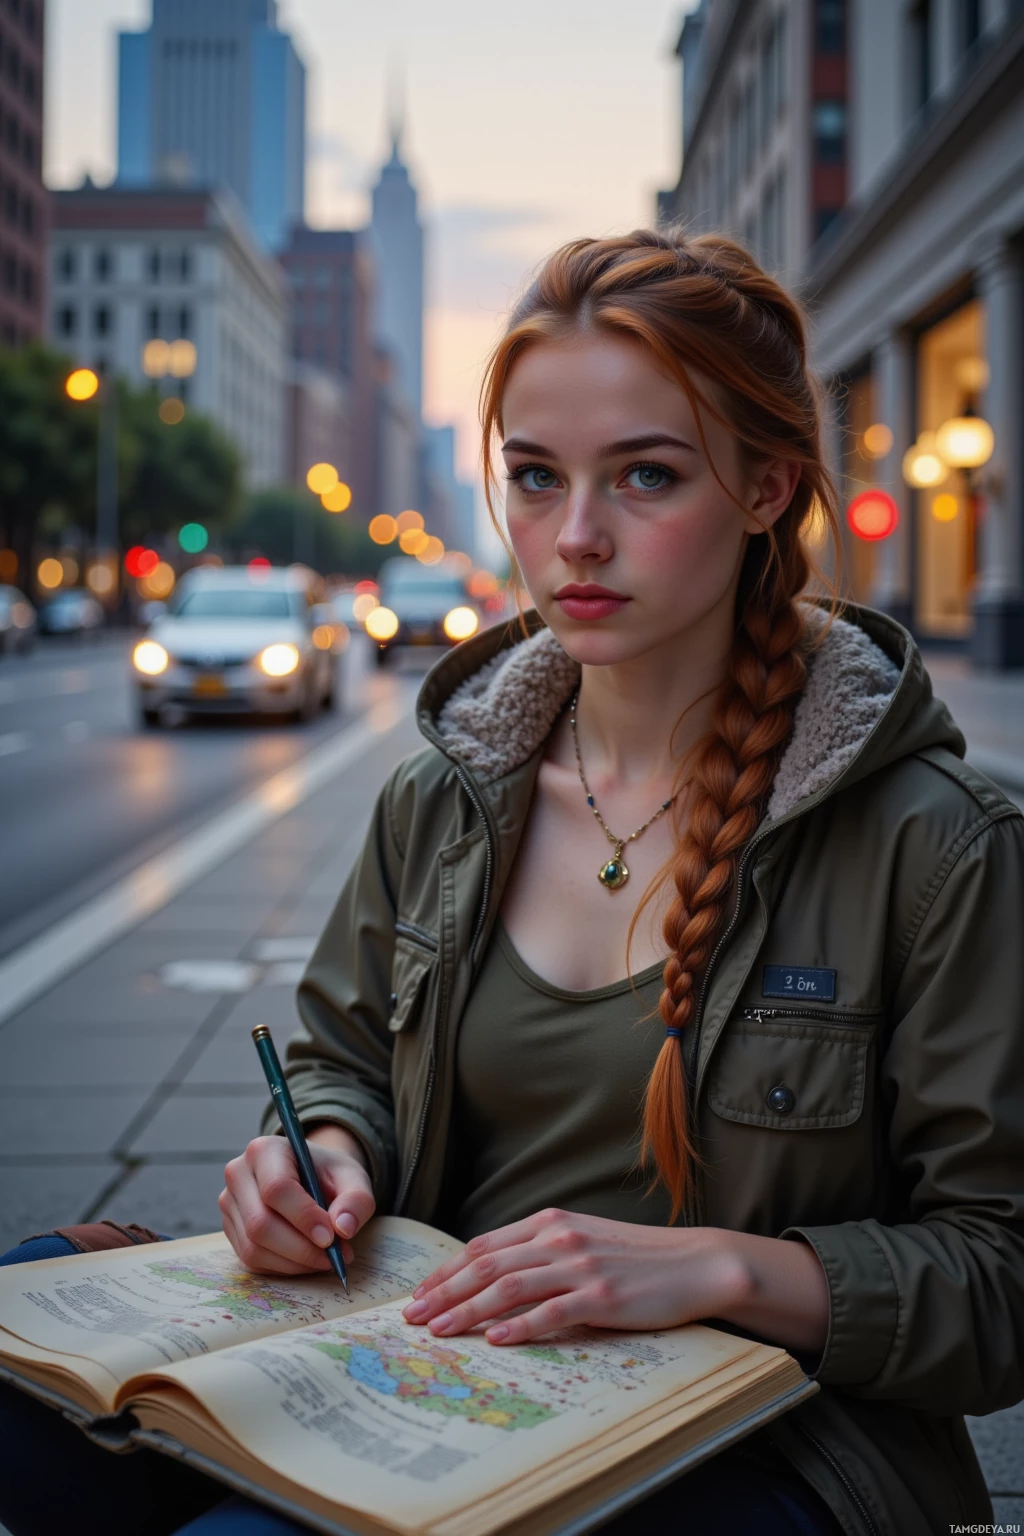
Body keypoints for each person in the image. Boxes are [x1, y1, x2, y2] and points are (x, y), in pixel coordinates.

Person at [2, 229, 1023, 1536]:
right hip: (420, 1372)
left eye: (646, 476)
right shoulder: (444, 797)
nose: (575, 538)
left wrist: (722, 1268)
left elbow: (1001, 1283)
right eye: (536, 478)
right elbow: (340, 1059)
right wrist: (320, 1152)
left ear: (768, 488)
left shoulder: (937, 844)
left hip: (764, 1435)